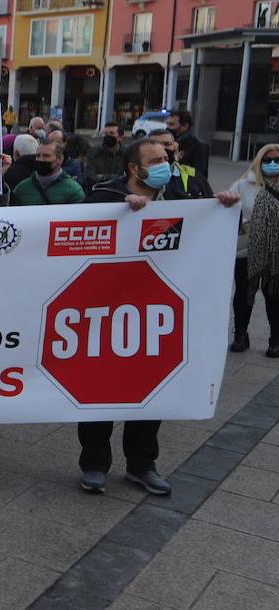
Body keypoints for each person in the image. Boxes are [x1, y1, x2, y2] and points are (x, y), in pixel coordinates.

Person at [78, 139, 239, 495]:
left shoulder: (183, 198)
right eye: (157, 160)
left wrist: (224, 208)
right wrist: (122, 209)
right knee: (98, 391)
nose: (168, 163)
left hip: (155, 315)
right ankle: (93, 464)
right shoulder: (103, 198)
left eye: (168, 158)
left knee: (150, 392)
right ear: (135, 169)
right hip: (106, 313)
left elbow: (209, 227)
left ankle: (141, 465)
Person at [231, 144, 279, 357]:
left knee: (274, 296)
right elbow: (226, 210)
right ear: (259, 162)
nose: (272, 164)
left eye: (277, 159)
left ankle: (275, 339)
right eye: (267, 160)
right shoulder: (243, 185)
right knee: (243, 295)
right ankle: (241, 334)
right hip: (246, 251)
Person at [10, 140, 85, 206]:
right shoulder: (22, 189)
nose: (41, 160)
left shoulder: (73, 190)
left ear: (60, 159)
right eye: (38, 156)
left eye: (46, 156)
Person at [151, 129, 212, 199]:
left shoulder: (194, 175)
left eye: (167, 144)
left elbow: (210, 200)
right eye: (155, 144)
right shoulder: (138, 174)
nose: (162, 148)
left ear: (176, 149)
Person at [167, 110, 210, 179]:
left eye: (172, 124)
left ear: (185, 126)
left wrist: (177, 159)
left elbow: (199, 174)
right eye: (167, 124)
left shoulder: (198, 146)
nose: (168, 127)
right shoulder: (169, 142)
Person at [87, 122, 126, 189]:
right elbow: (89, 177)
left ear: (120, 137)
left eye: (111, 133)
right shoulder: (94, 152)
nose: (108, 136)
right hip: (98, 190)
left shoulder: (127, 153)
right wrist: (116, 177)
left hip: (121, 191)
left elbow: (127, 178)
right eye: (105, 133)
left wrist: (101, 176)